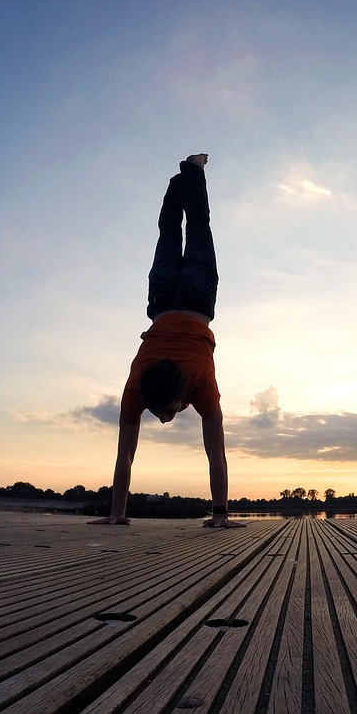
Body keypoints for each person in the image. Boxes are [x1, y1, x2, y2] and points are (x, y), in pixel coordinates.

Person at [89, 154, 242, 528]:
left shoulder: (198, 381)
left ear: (181, 390)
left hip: (197, 297)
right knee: (172, 232)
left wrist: (118, 515)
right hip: (161, 297)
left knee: (196, 227)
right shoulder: (137, 383)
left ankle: (190, 174)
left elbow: (128, 454)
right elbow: (214, 452)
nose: (164, 418)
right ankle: (181, 178)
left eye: (167, 411)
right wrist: (117, 514)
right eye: (166, 413)